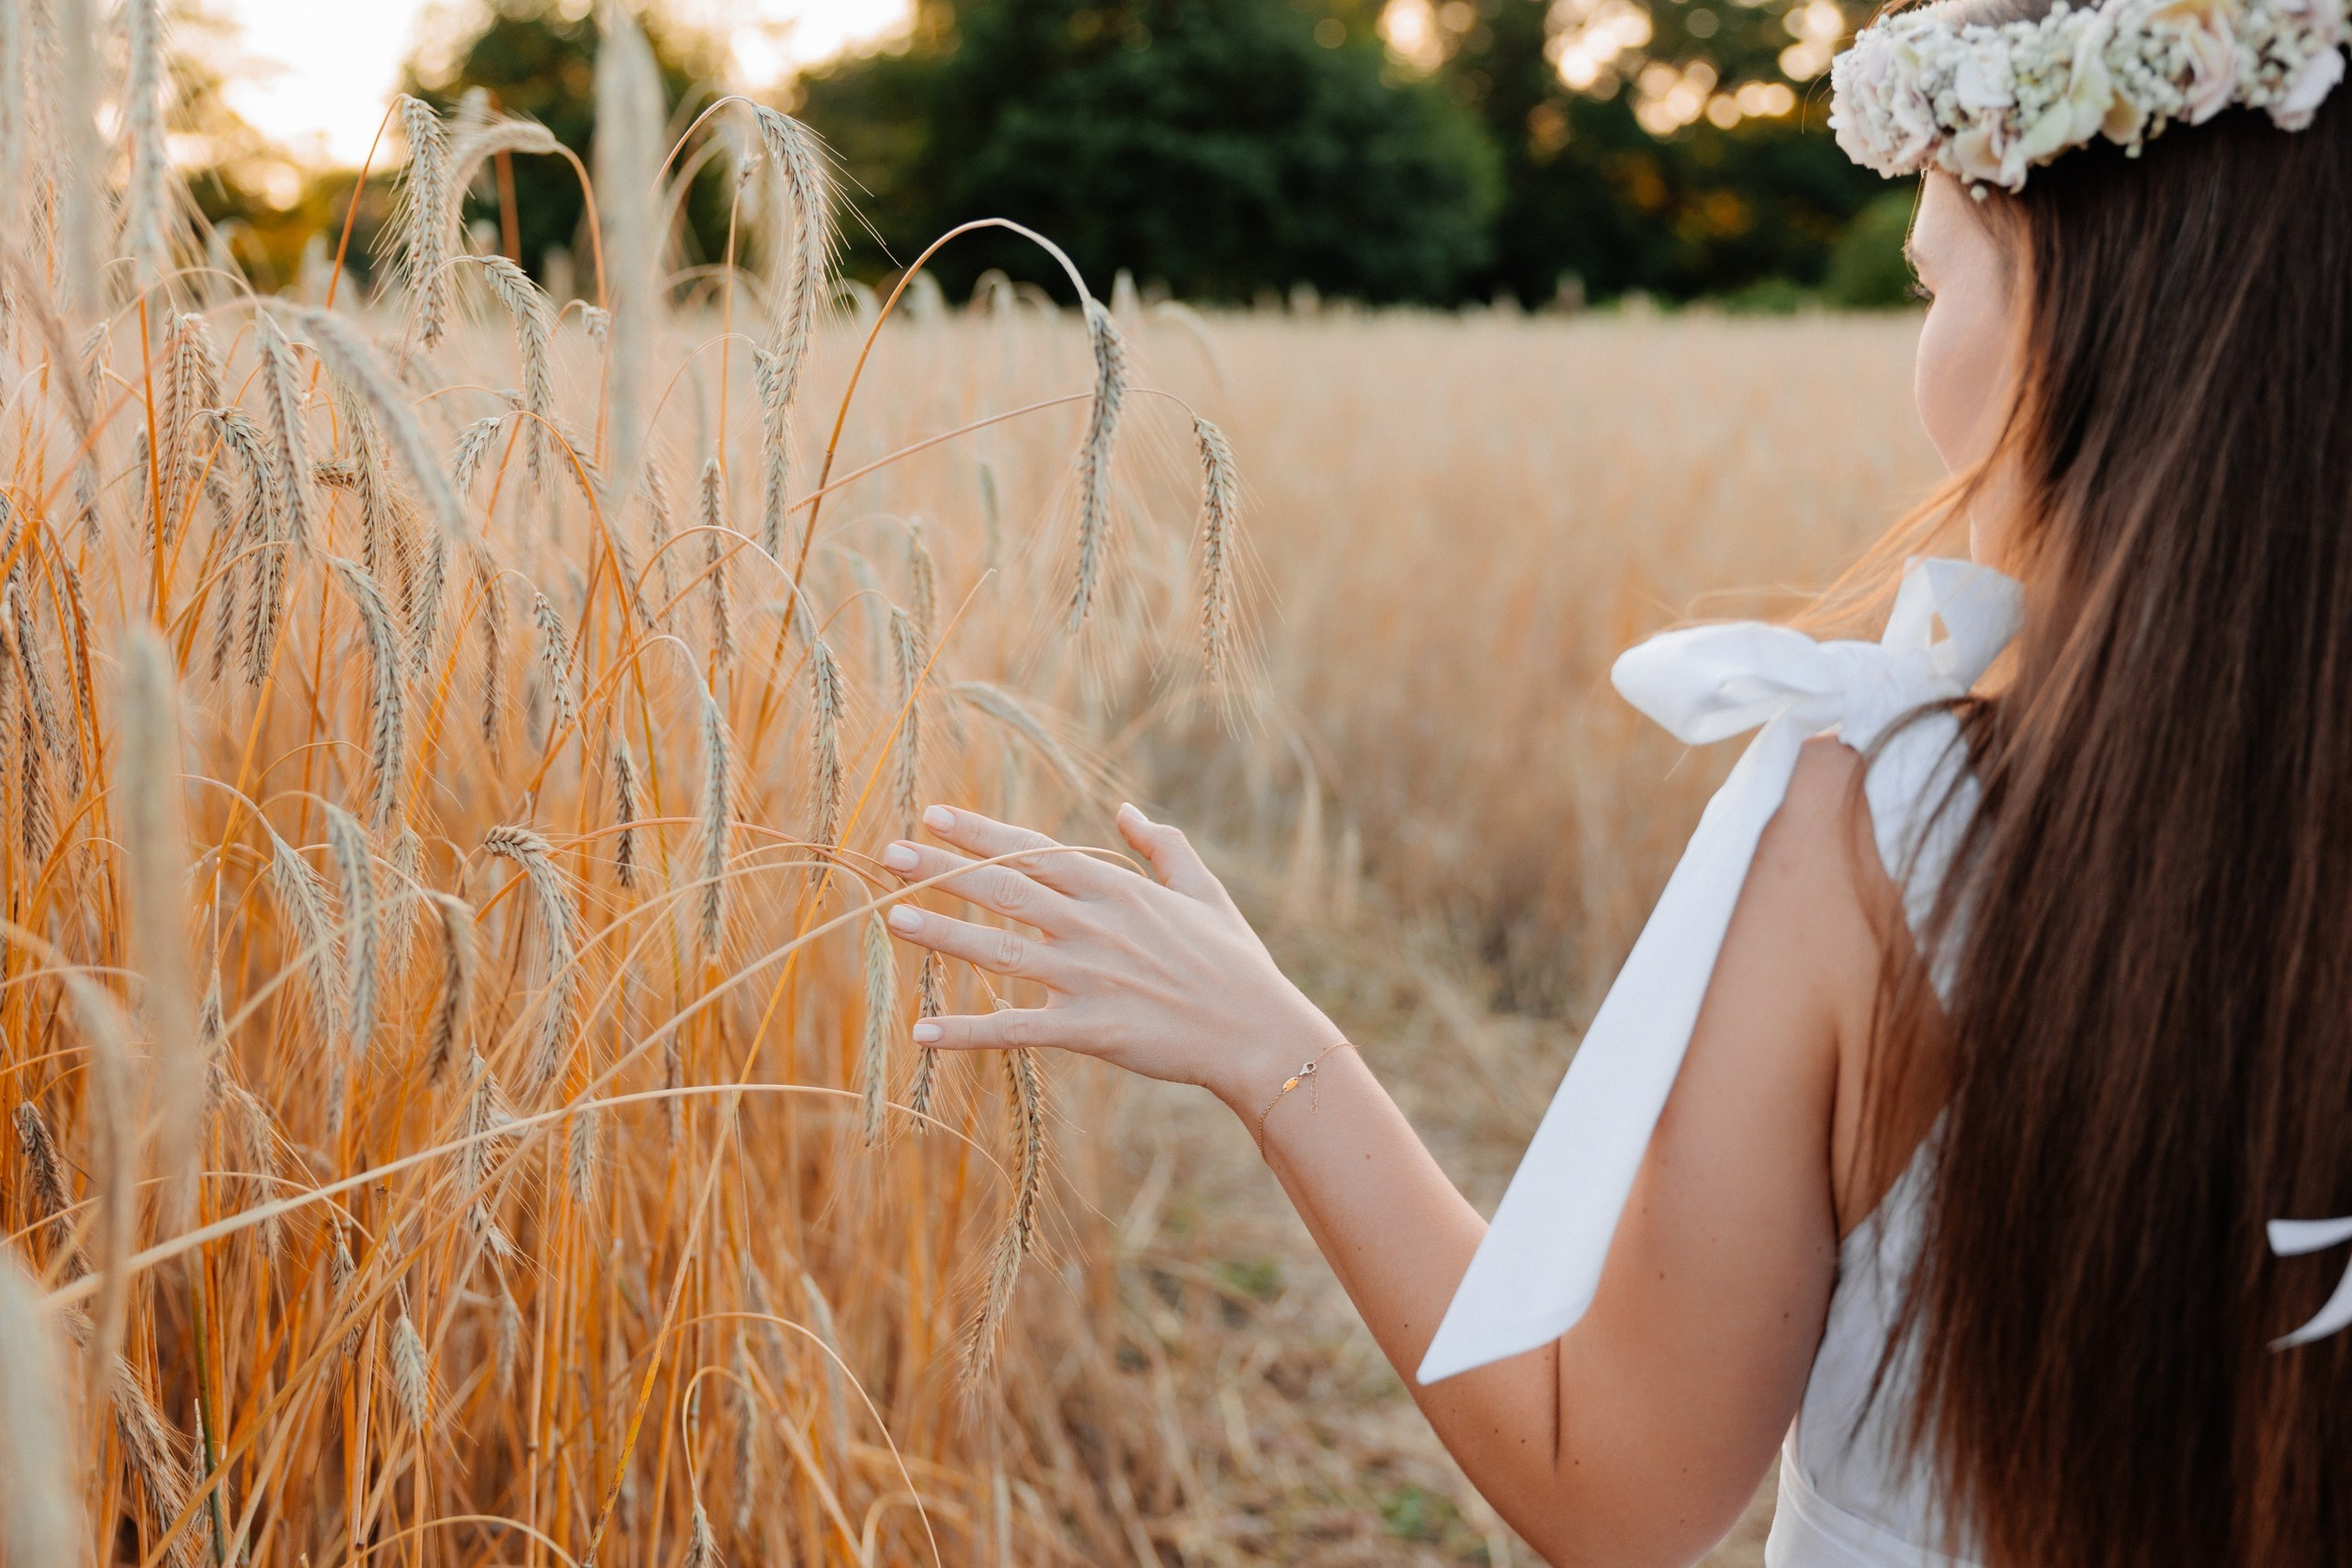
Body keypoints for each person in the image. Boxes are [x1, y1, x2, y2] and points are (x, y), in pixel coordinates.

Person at [878, 0, 2352, 1559]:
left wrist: (1273, 1048)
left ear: (2083, 309)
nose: (1923, 374)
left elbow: (1619, 1486)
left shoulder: (1883, 834)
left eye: (1931, 281)